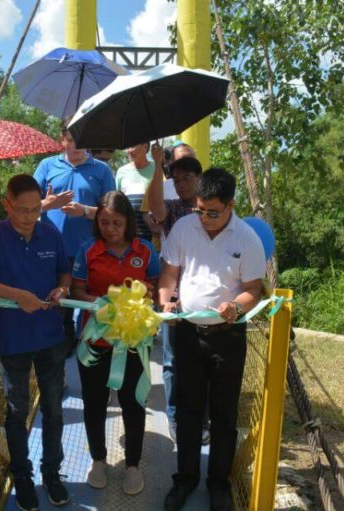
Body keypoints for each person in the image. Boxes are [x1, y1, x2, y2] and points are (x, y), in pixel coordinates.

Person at [160, 168, 266, 511]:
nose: (204, 218)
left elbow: (253, 290)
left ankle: (219, 484)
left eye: (213, 212)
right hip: (188, 334)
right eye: (200, 210)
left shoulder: (248, 239)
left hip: (227, 336)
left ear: (231, 205)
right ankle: (186, 479)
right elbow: (169, 274)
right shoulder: (183, 228)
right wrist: (166, 300)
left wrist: (236, 306)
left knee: (223, 415)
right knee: (188, 413)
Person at [0, 174, 72, 511]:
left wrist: (63, 289)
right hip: (14, 338)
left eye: (35, 210)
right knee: (15, 410)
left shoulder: (50, 232)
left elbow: (64, 271)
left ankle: (52, 473)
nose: (29, 217)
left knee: (53, 408)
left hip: (51, 336)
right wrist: (17, 295)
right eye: (22, 210)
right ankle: (23, 475)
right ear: (6, 205)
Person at [71, 191, 160, 496]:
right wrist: (102, 303)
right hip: (95, 343)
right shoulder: (88, 251)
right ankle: (98, 460)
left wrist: (149, 293)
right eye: (104, 222)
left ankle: (132, 465)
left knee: (133, 404)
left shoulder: (145, 251)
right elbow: (77, 290)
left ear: (128, 223)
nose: (110, 228)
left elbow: (158, 287)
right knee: (94, 404)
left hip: (133, 343)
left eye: (117, 223)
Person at [34, 119, 115, 354]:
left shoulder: (102, 170)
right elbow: (24, 205)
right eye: (70, 140)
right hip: (49, 251)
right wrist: (45, 205)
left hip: (88, 252)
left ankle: (91, 352)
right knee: (56, 306)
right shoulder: (46, 166)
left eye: (80, 140)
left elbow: (113, 213)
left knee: (89, 305)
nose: (75, 145)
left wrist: (86, 211)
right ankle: (60, 354)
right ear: (62, 140)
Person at [145, 155, 204, 443]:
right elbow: (155, 208)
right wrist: (157, 166)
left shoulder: (211, 209)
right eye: (176, 180)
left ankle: (200, 418)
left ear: (199, 179)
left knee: (201, 358)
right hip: (173, 293)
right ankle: (174, 416)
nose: (180, 185)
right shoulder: (172, 209)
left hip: (204, 297)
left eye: (186, 179)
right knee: (172, 360)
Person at [115, 142, 163, 241]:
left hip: (153, 233)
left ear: (145, 146)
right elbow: (117, 202)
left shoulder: (157, 169)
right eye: (127, 147)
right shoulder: (121, 172)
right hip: (128, 233)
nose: (128, 151)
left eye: (132, 146)